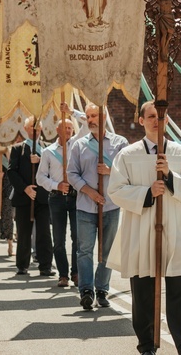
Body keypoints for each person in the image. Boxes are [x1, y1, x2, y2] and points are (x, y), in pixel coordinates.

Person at [108, 101, 181, 355]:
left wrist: (171, 177)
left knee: (180, 290)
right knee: (143, 293)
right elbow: (116, 191)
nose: (157, 120)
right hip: (142, 230)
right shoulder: (128, 155)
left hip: (174, 228)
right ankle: (146, 346)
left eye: (161, 116)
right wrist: (146, 193)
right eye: (151, 116)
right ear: (141, 121)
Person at [67, 103, 128, 309]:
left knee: (107, 249)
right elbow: (71, 174)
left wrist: (111, 171)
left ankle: (102, 289)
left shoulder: (120, 143)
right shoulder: (78, 144)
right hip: (85, 204)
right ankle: (86, 290)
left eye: (95, 115)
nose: (91, 119)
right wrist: (89, 191)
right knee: (84, 250)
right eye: (88, 116)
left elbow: (128, 172)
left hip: (110, 205)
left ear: (104, 117)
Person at [8, 116, 54, 276]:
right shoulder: (17, 149)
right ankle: (22, 265)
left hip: (43, 197)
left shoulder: (48, 149)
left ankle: (45, 265)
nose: (36, 131)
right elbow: (11, 172)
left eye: (38, 128)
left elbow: (54, 169)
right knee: (24, 232)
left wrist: (41, 160)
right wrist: (25, 188)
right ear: (26, 129)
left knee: (44, 232)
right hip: (24, 197)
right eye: (32, 128)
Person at [37, 118, 79, 288]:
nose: (68, 130)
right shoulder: (48, 152)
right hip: (56, 198)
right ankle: (63, 275)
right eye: (65, 127)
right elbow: (40, 177)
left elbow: (85, 124)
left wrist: (71, 112)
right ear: (57, 129)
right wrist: (56, 185)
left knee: (77, 238)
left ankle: (76, 273)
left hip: (76, 196)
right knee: (59, 240)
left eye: (70, 128)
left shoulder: (77, 147)